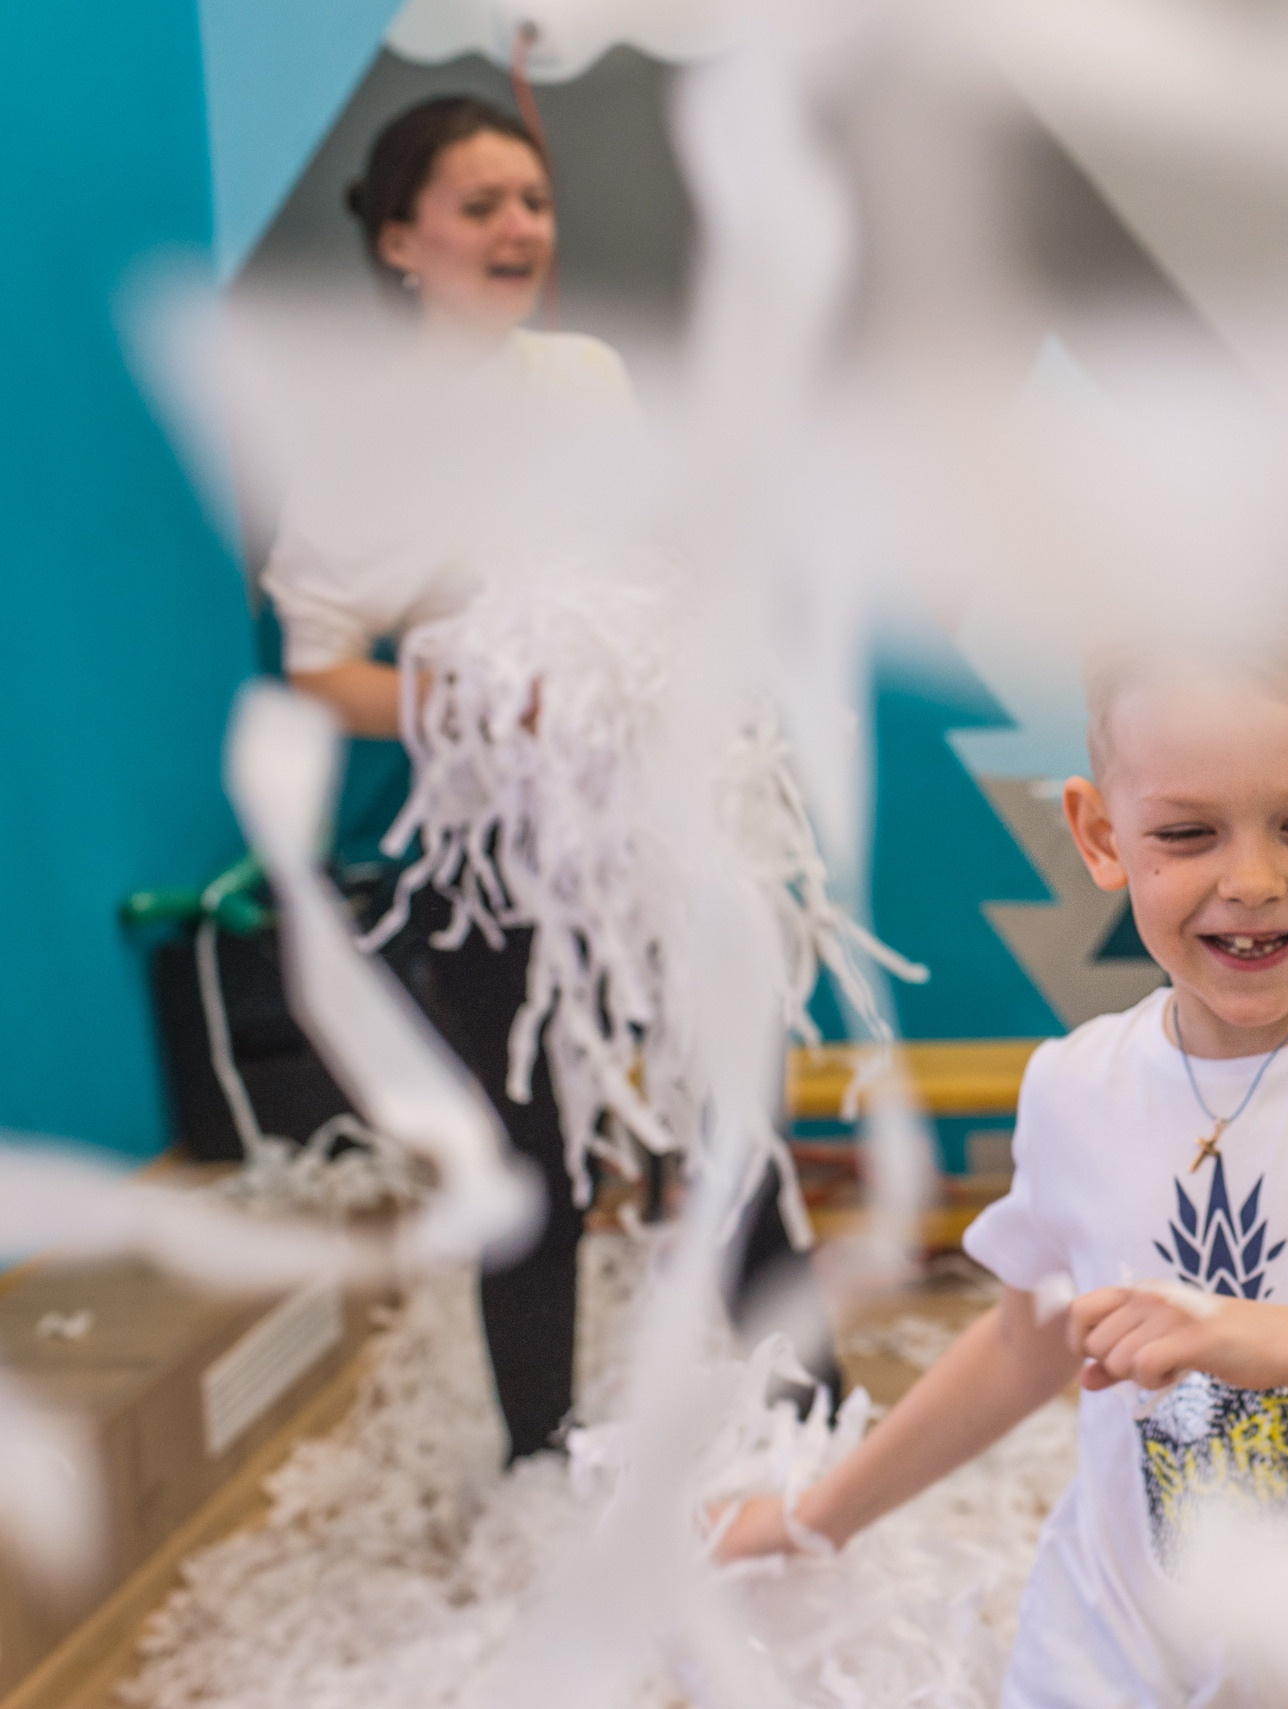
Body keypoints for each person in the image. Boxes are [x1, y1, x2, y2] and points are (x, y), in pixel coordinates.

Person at [713, 604, 1288, 1704]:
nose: (1249, 880)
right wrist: (814, 1517)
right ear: (1101, 835)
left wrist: (1272, 1338)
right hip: (1104, 1653)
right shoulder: (1074, 1085)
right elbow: (1020, 1346)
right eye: (1186, 834)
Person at [266, 95, 808, 1461]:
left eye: (532, 202)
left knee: (732, 1112)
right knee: (532, 1164)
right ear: (402, 243)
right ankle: (538, 1458)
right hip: (496, 848)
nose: (519, 228)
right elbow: (317, 661)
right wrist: (468, 700)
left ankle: (820, 1417)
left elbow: (633, 561)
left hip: (647, 818)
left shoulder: (582, 378)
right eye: (479, 206)